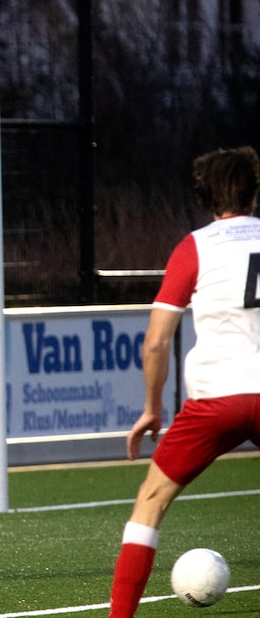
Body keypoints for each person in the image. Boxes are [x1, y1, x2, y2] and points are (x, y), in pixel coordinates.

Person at [108, 146, 260, 617]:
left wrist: (152, 407)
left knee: (150, 503)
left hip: (215, 402)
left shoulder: (195, 247)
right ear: (254, 193)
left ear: (205, 196)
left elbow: (156, 342)